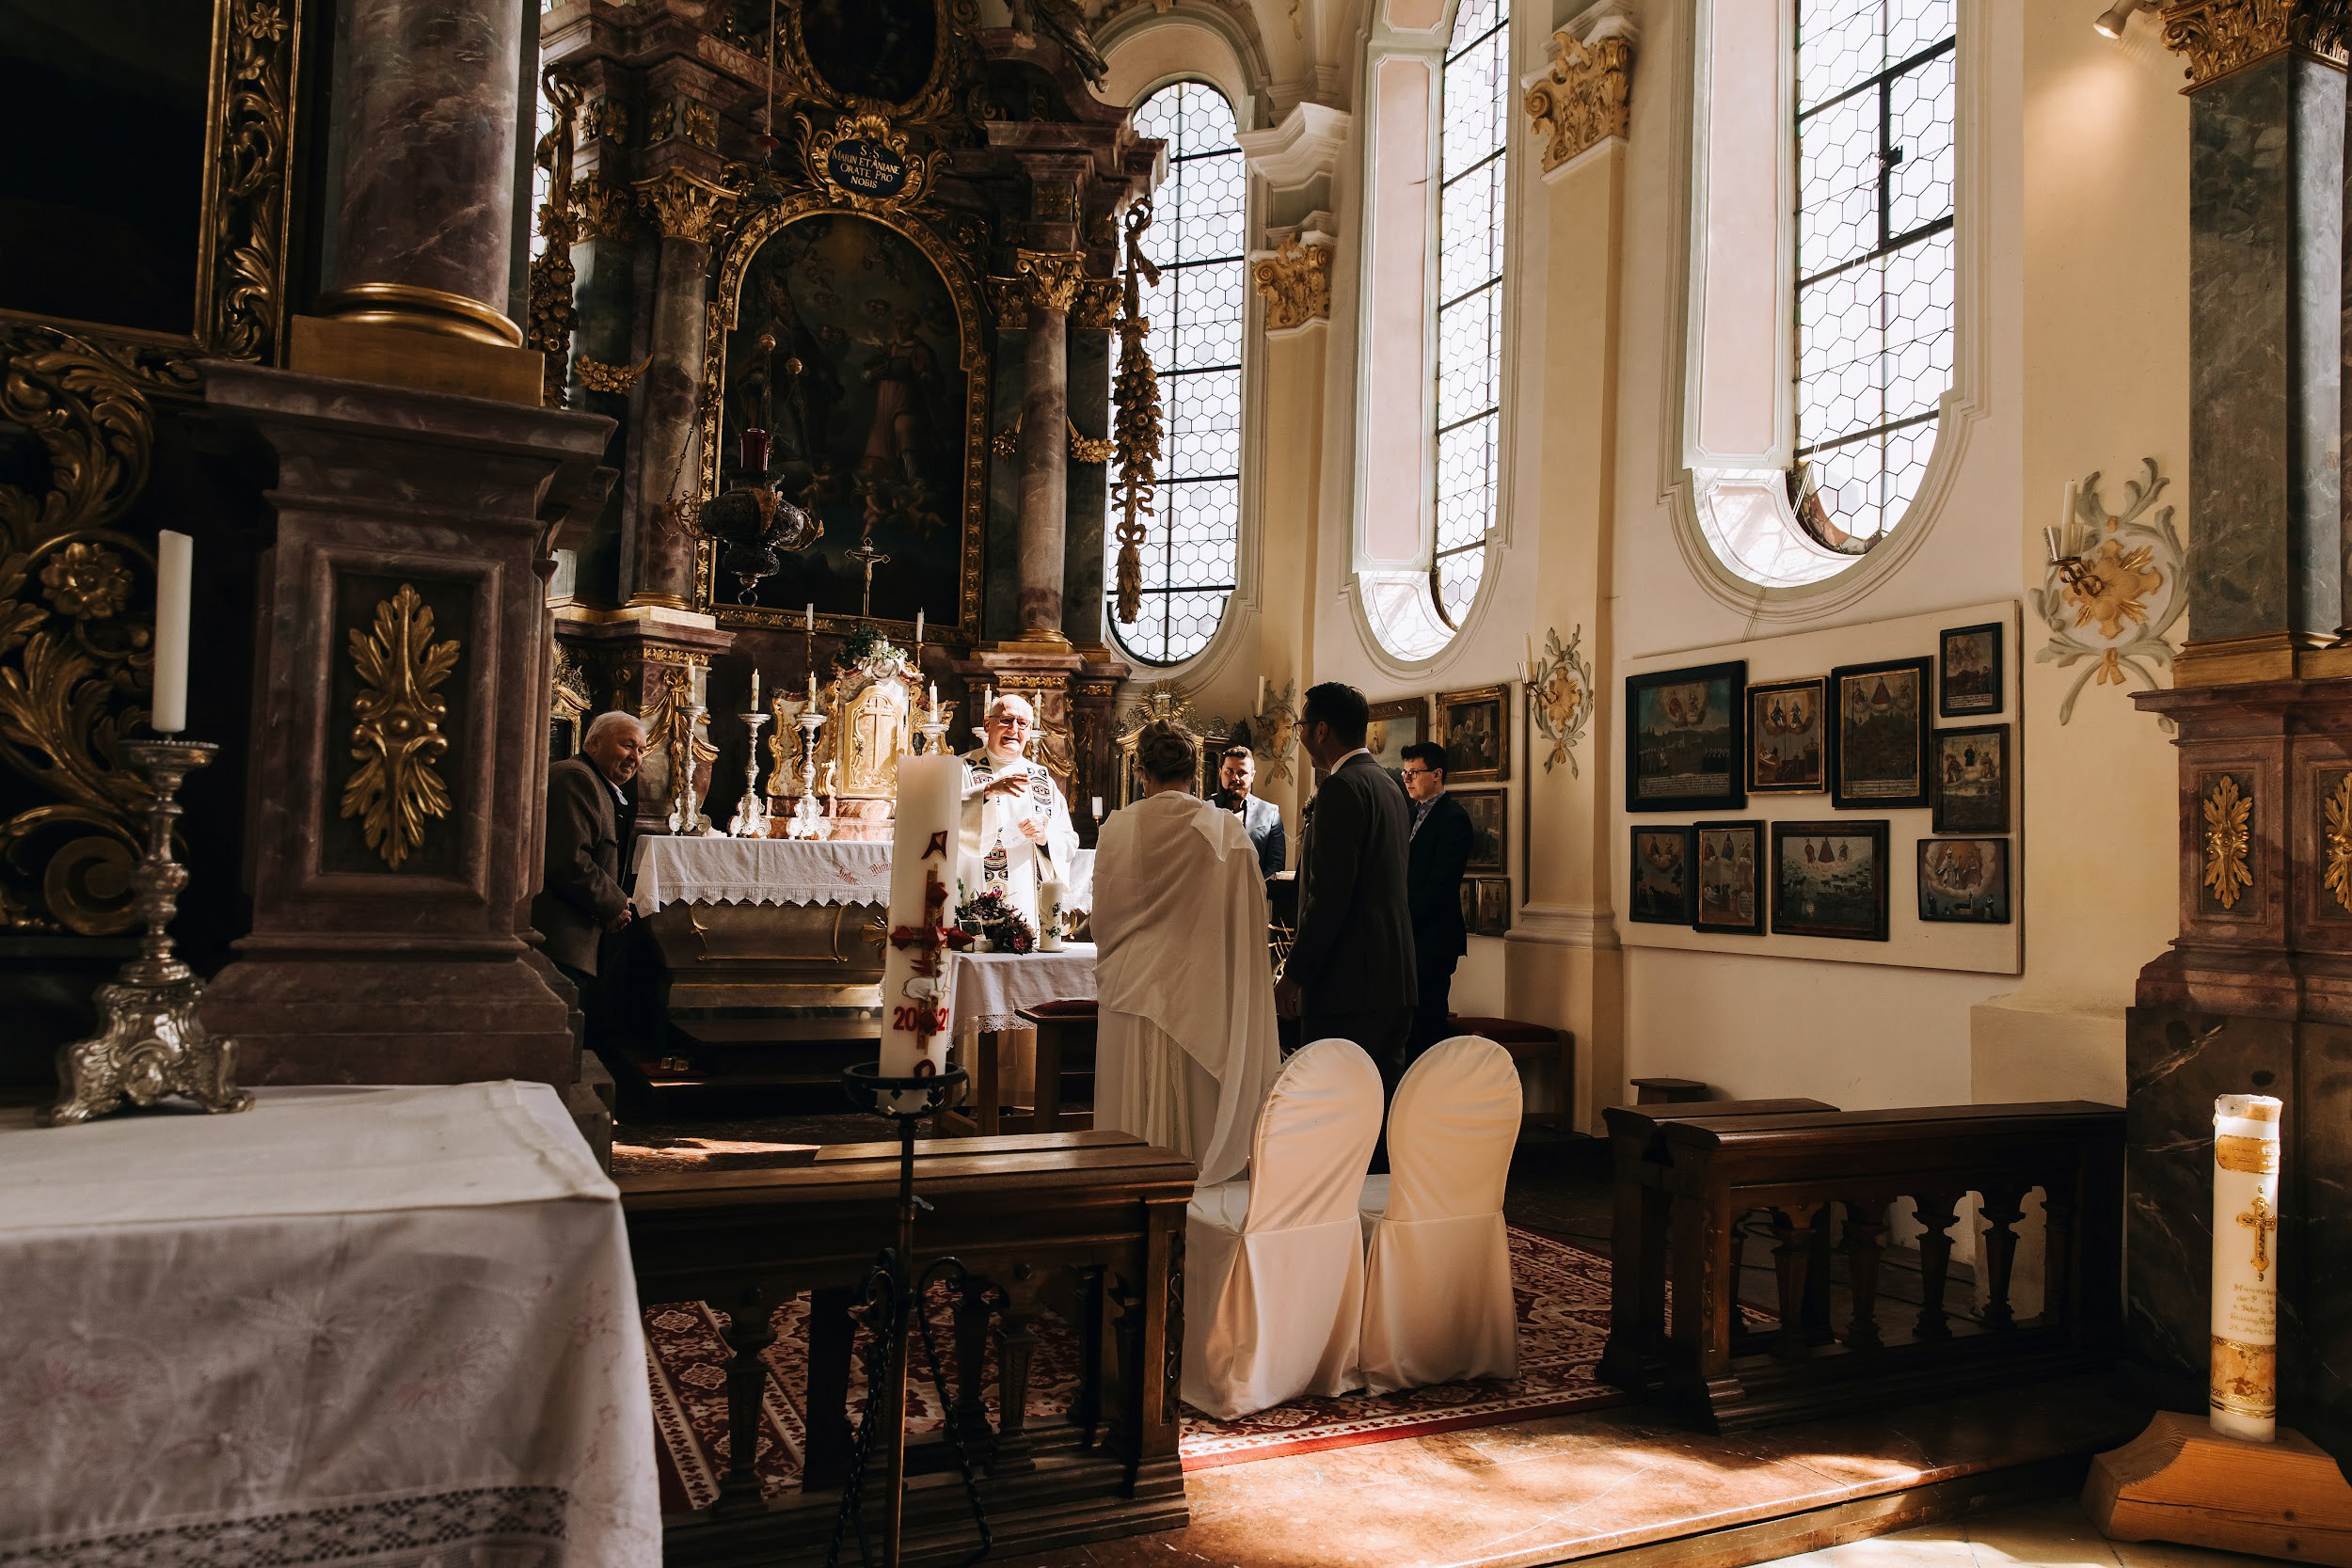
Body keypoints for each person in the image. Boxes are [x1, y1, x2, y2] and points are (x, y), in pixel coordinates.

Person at [1093, 722, 1284, 1184]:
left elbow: (1103, 919)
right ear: (1197, 771)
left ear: (1142, 770)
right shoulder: (1225, 832)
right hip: (1199, 990)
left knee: (1133, 1115)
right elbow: (1246, 920)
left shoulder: (1118, 828)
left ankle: (1130, 1204)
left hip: (1133, 988)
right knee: (1197, 1113)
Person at [1275, 682, 1416, 1093]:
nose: (1299, 736)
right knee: (1381, 1108)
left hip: (1348, 986)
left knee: (1337, 1110)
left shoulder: (1341, 788)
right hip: (1394, 978)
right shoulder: (1390, 786)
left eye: (1301, 726)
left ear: (1321, 731)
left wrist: (1295, 974)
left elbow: (1330, 897)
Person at [534, 711, 642, 1004]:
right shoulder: (576, 778)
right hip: (559, 940)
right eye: (627, 744)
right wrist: (614, 904)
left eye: (641, 749)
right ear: (593, 743)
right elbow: (568, 859)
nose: (635, 756)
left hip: (575, 940)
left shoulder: (597, 783)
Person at [959, 691, 1080, 932]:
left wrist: (1045, 838)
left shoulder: (1041, 779)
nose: (1014, 728)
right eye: (1006, 720)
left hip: (1026, 897)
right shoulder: (961, 768)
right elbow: (940, 817)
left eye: (1022, 723)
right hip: (974, 892)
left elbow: (1068, 840)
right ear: (987, 724)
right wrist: (985, 792)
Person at [1399, 741, 1472, 1059]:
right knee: (1405, 1024)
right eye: (1405, 773)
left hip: (1432, 937)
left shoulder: (1452, 817)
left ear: (1437, 775)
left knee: (1426, 1020)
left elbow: (1441, 884)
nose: (1407, 779)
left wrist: (1404, 920)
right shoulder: (1409, 814)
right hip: (1408, 935)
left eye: (1414, 772)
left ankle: (1427, 1094)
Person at [1212, 743, 1286, 879]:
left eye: (1242, 773)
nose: (1236, 778)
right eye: (1230, 771)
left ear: (1252, 775)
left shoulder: (1270, 813)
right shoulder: (1205, 808)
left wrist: (1253, 891)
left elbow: (1276, 865)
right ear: (1220, 772)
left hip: (1253, 894)